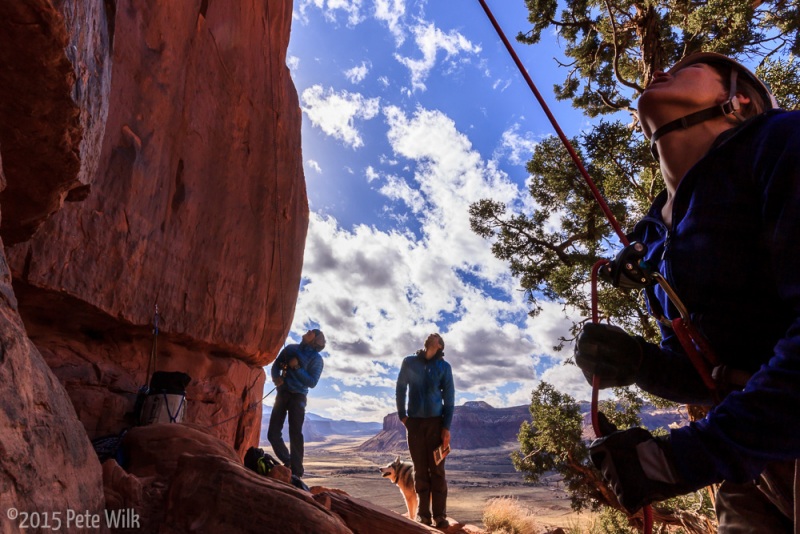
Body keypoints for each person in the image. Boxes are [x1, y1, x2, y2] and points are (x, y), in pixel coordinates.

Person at [574, 51, 800, 531]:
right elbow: (703, 373)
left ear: (739, 101)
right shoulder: (655, 237)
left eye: (688, 68)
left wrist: (685, 458)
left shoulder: (782, 140)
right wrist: (639, 362)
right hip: (753, 472)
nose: (662, 71)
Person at [395, 333, 455, 528]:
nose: (432, 336)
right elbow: (400, 388)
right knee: (420, 470)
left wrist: (446, 427)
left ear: (440, 346)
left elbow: (450, 399)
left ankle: (440, 516)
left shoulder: (444, 367)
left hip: (436, 424)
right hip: (414, 424)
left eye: (436, 336)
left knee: (437, 471)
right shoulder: (410, 362)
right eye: (431, 335)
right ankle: (424, 515)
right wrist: (402, 416)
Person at [267, 328, 326, 478]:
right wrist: (276, 378)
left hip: (298, 397)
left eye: (313, 332)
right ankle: (289, 462)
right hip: (282, 394)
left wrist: (297, 368)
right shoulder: (290, 348)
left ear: (315, 341)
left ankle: (297, 472)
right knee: (273, 434)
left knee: (295, 433)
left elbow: (312, 382)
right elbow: (276, 366)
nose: (309, 330)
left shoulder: (317, 359)